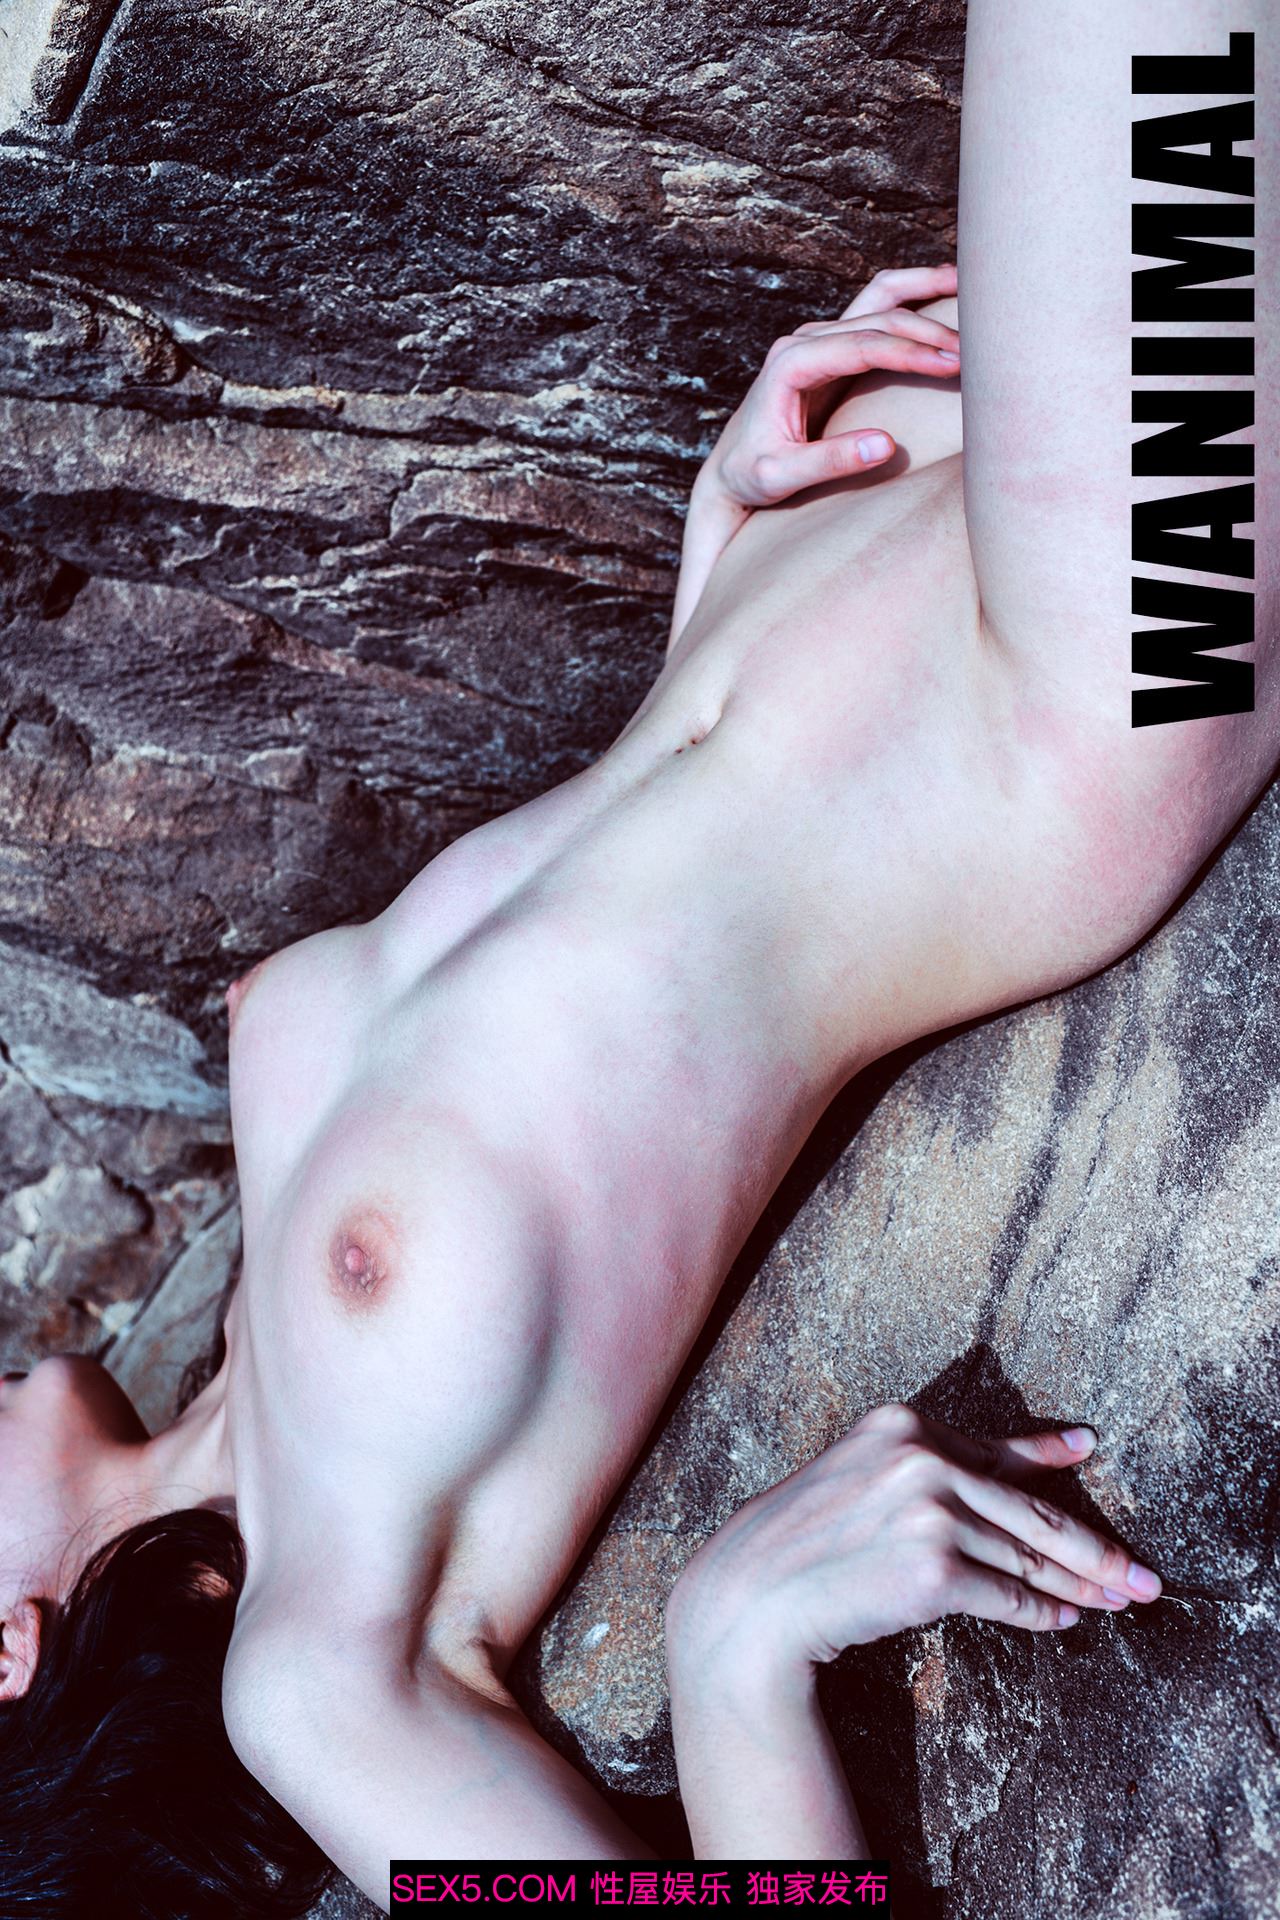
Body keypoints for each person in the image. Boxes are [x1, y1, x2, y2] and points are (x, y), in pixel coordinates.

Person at [1, 0, 1273, 1911]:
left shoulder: (269, 1348)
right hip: (1074, 692)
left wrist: (714, 578)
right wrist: (731, 1645)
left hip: (930, 499)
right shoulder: (310, 1681)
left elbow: (621, 963)